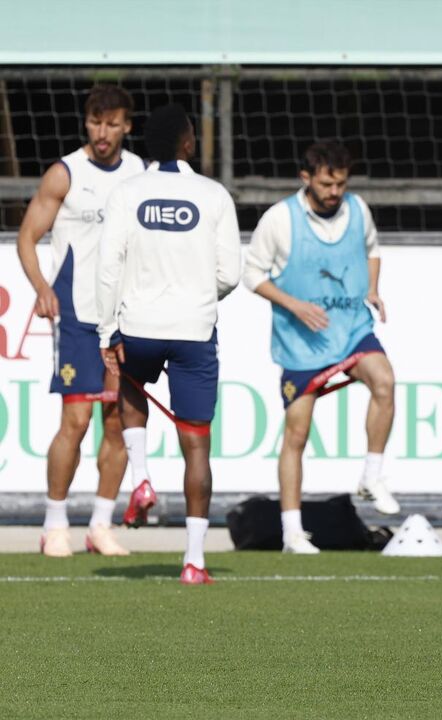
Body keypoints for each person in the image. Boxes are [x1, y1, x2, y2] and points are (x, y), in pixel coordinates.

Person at [97, 103, 241, 584]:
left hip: (138, 324)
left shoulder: (128, 192)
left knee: (133, 391)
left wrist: (106, 331)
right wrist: (200, 293)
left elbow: (108, 266)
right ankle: (194, 561)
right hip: (194, 330)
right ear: (187, 143)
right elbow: (231, 274)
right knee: (197, 447)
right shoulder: (213, 193)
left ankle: (140, 478)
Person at [244, 141, 399, 555]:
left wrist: (373, 289)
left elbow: (371, 249)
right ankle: (293, 531)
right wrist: (294, 305)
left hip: (350, 329)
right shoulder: (281, 219)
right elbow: (252, 274)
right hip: (302, 342)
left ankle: (371, 475)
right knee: (297, 432)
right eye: (327, 183)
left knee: (384, 381)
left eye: (341, 184)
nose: (335, 191)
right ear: (306, 178)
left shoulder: (357, 209)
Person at [15, 85, 144, 557]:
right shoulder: (65, 173)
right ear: (86, 123)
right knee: (75, 419)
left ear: (128, 125)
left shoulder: (141, 176)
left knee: (117, 422)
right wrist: (42, 289)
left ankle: (100, 525)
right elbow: (28, 237)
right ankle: (54, 523)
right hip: (76, 315)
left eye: (112, 123)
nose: (103, 131)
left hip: (124, 319)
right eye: (95, 122)